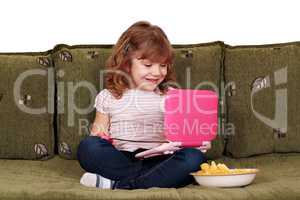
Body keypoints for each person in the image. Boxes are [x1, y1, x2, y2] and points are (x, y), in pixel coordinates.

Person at [77, 21, 211, 190]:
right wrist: (101, 135)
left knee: (194, 158)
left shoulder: (171, 96)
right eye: (148, 65)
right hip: (121, 159)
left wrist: (197, 142)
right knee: (89, 147)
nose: (157, 72)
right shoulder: (109, 96)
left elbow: (187, 134)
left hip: (160, 160)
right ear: (126, 63)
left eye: (163, 65)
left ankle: (119, 185)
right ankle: (146, 181)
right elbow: (97, 133)